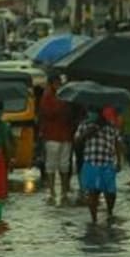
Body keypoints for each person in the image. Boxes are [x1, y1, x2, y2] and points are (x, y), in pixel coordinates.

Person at [74, 106, 124, 223]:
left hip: (107, 163)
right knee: (93, 192)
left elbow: (117, 142)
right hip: (91, 163)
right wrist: (87, 133)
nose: (93, 114)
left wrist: (119, 161)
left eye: (96, 112)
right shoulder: (84, 125)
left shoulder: (111, 126)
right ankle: (94, 219)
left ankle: (110, 213)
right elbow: (76, 142)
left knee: (111, 192)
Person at [38, 75, 75, 205]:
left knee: (65, 164)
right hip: (52, 135)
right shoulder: (47, 96)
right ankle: (52, 190)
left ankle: (64, 190)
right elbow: (48, 113)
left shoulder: (67, 95)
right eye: (56, 83)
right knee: (51, 164)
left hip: (66, 134)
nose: (58, 85)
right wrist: (62, 104)